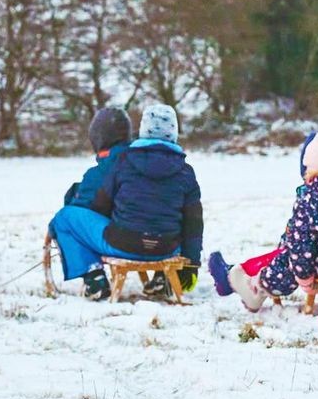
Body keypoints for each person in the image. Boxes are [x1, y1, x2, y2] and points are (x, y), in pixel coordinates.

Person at [208, 127, 318, 313]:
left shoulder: (310, 199)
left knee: (289, 258)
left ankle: (256, 287)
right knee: (294, 251)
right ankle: (241, 278)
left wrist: (305, 279)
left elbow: (301, 245)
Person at [48, 105, 203, 301]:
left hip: (123, 243)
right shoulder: (186, 172)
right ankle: (163, 277)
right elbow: (194, 224)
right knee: (172, 219)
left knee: (65, 217)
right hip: (166, 249)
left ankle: (94, 277)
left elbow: (102, 204)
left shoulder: (124, 162)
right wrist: (191, 264)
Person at [63, 107, 132, 207]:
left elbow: (80, 209)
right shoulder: (139, 161)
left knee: (66, 214)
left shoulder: (99, 173)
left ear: (98, 138)